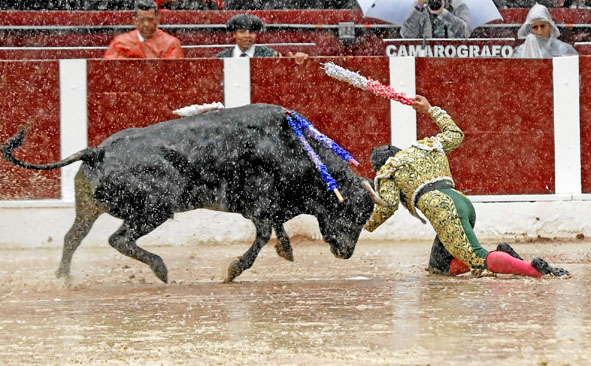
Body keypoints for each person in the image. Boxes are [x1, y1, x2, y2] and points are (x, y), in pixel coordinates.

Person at [363, 95, 569, 278]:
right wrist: (429, 109)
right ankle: (503, 255)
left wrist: (365, 224)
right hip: (461, 201)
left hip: (442, 209)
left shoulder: (388, 168)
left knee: (477, 257)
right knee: (438, 268)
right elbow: (455, 133)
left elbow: (387, 206)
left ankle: (533, 270)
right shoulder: (424, 147)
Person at [104, 0, 184, 59]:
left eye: (150, 19)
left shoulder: (171, 44)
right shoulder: (120, 43)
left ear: (157, 19)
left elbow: (174, 73)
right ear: (135, 21)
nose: (146, 24)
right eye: (142, 20)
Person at [216, 13, 308, 64]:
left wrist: (298, 61)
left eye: (251, 32)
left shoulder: (270, 55)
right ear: (234, 34)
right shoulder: (221, 57)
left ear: (256, 35)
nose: (247, 36)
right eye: (242, 32)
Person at [511, 3, 577, 58]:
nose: (539, 32)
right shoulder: (520, 53)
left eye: (542, 26)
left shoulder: (564, 50)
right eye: (535, 27)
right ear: (530, 30)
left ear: (550, 26)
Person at [401, 0, 472, 39]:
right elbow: (407, 35)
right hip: (426, 57)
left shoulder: (458, 6)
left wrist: (443, 13)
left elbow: (465, 33)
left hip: (452, 57)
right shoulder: (421, 6)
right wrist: (418, 8)